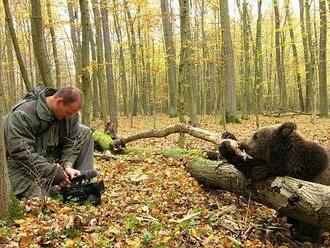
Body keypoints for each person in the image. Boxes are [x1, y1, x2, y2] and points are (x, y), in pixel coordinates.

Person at [3, 85, 94, 198]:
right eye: (69, 112)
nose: (71, 116)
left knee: (85, 132)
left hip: (51, 160)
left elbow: (72, 141)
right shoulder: (22, 115)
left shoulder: (70, 115)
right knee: (41, 198)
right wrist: (53, 172)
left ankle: (80, 184)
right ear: (59, 102)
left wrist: (68, 166)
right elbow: (21, 153)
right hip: (22, 166)